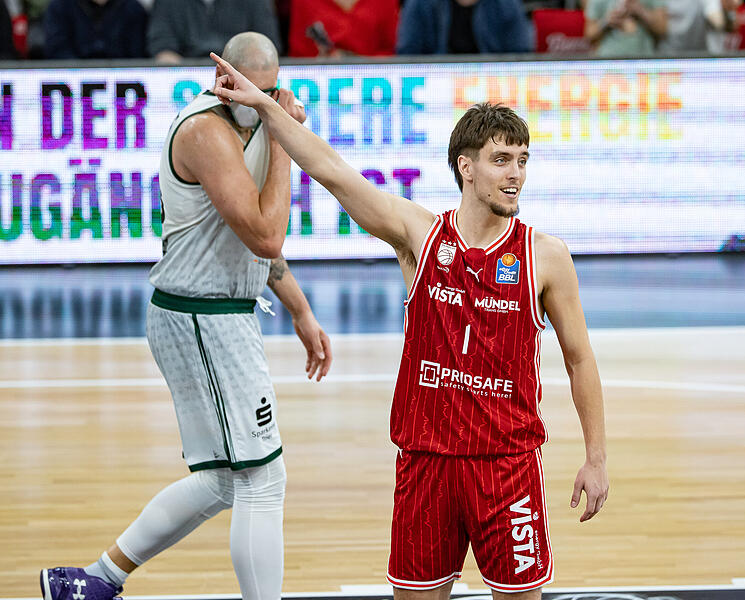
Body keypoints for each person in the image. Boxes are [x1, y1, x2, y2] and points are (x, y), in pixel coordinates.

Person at [210, 53, 608, 597]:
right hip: (426, 464)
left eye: (522, 159)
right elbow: (330, 169)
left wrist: (596, 458)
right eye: (500, 159)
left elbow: (580, 359)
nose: (515, 173)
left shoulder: (546, 256)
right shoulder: (420, 236)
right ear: (466, 167)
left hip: (508, 468)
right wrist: (261, 104)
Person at [39, 32, 332, 600]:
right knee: (263, 478)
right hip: (202, 319)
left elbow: (251, 246)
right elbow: (267, 232)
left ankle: (97, 580)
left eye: (273, 92)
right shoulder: (205, 131)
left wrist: (299, 310)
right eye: (256, 92)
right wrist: (283, 133)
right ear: (223, 78)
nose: (267, 100)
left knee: (225, 480)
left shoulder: (253, 118)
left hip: (216, 313)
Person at [147, 0, 282, 64]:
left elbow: (268, 46)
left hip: (241, 74)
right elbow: (161, 47)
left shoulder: (256, 3)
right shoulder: (166, 3)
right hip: (186, 76)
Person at [396, 0, 532, 55]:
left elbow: (521, 54)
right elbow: (407, 54)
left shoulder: (507, 5)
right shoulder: (420, 4)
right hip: (436, 86)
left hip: (493, 87)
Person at [288, 0, 399, 58]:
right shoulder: (303, 2)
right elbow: (298, 56)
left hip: (374, 83)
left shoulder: (385, 2)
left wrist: (355, 61)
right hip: (321, 81)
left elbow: (392, 53)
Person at [44, 0, 147, 59]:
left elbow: (137, 54)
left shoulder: (134, 9)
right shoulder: (59, 7)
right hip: (73, 82)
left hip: (122, 81)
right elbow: (57, 51)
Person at [584, 0, 668, 56]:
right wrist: (606, 21)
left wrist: (640, 11)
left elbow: (662, 30)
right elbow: (589, 35)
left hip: (643, 60)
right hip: (608, 61)